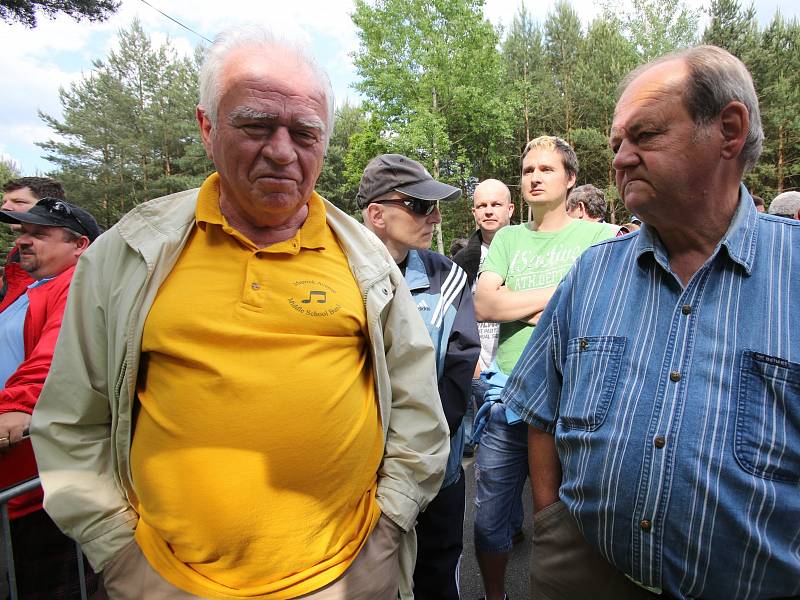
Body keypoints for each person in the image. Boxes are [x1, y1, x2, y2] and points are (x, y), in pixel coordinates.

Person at [30, 26, 449, 600]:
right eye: (256, 125)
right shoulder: (130, 252)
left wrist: (388, 527)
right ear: (207, 128)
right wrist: (118, 552)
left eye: (305, 132)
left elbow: (416, 411)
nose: (282, 150)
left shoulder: (365, 260)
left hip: (347, 577)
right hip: (166, 582)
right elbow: (72, 420)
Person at [503, 45, 800, 600]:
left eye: (644, 136)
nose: (618, 159)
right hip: (584, 572)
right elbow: (541, 408)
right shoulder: (593, 272)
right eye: (617, 143)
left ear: (729, 131)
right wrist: (550, 523)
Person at [472, 137, 614, 600]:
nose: (534, 177)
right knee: (492, 515)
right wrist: (560, 298)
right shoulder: (509, 238)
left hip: (576, 400)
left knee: (567, 515)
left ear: (570, 179)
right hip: (508, 396)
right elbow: (485, 303)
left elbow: (603, 307)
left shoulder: (599, 237)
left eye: (546, 169)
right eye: (528, 169)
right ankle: (496, 594)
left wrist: (519, 306)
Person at [359, 153, 480, 600]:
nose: (434, 217)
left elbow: (460, 363)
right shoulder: (336, 276)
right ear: (376, 214)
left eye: (435, 206)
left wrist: (424, 445)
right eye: (419, 206)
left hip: (437, 470)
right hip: (362, 478)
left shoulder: (445, 274)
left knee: (437, 573)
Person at [0, 197, 101, 599]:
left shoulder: (76, 285)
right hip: (17, 469)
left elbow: (58, 354)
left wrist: (19, 404)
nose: (25, 241)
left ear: (80, 246)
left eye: (40, 234)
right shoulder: (27, 288)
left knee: (46, 581)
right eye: (24, 232)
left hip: (38, 473)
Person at [453, 179, 514, 457]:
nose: (489, 211)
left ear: (510, 209)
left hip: (522, 366)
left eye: (496, 204)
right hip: (480, 368)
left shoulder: (528, 254)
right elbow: (453, 316)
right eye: (482, 205)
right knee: (490, 458)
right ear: (474, 212)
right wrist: (473, 361)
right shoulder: (462, 262)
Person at [1, 177, 66, 302]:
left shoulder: (78, 256)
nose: (5, 207)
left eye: (19, 202)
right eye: (4, 202)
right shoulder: (16, 252)